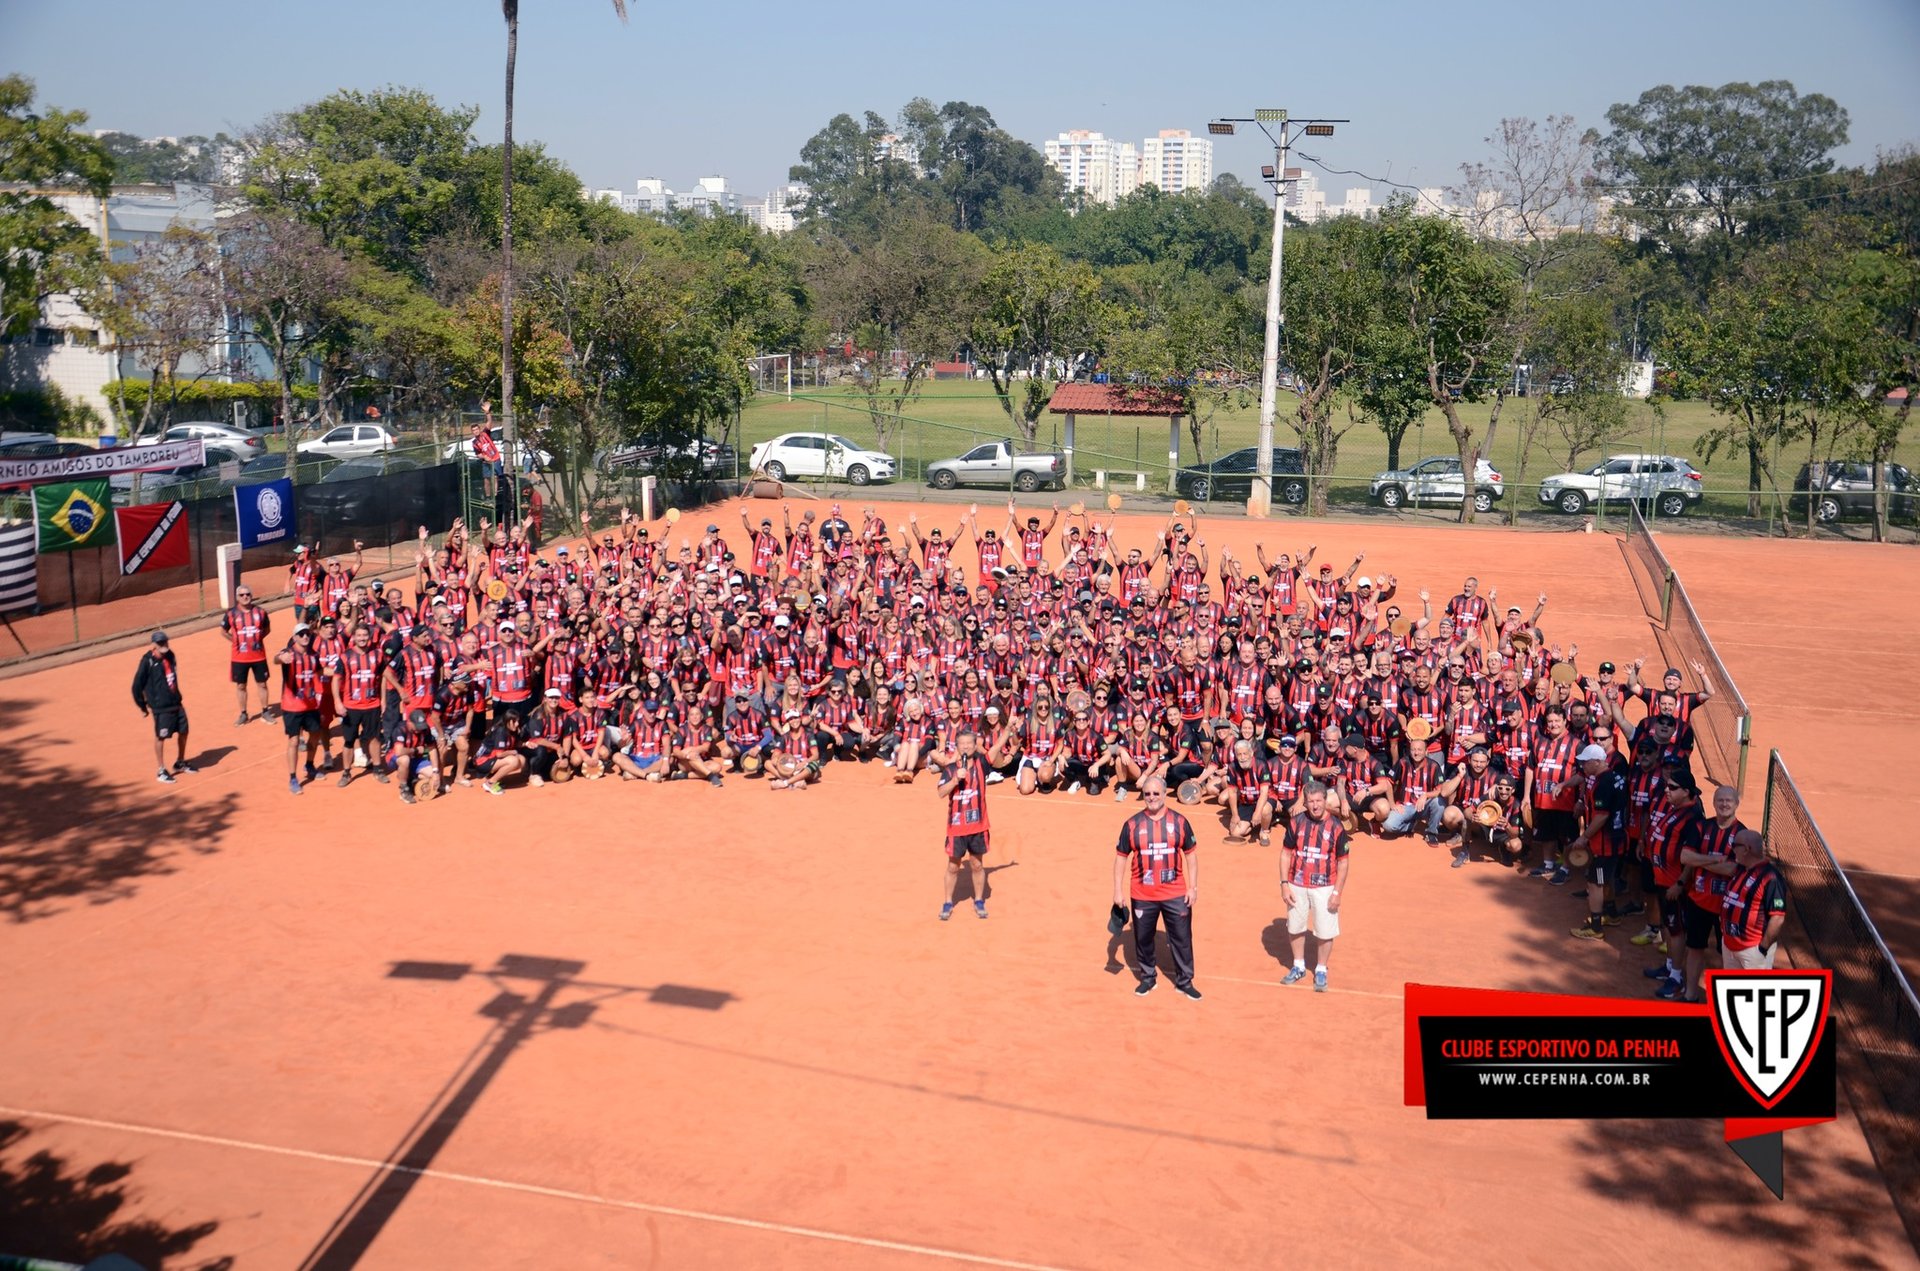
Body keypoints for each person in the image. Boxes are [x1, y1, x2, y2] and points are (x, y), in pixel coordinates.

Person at [1112, 775, 1200, 1000]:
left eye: (1156, 793)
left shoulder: (1180, 822)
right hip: (1142, 894)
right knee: (1143, 939)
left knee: (1182, 939)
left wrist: (1193, 887)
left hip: (1175, 893)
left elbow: (1190, 855)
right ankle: (1148, 978)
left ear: (1164, 794)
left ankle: (1184, 982)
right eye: (1147, 794)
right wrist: (1118, 891)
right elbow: (1121, 857)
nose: (1151, 797)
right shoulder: (1132, 825)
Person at [1280, 783, 1352, 993]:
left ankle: (1321, 969)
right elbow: (1285, 854)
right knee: (1295, 926)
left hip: (1325, 886)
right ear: (1305, 802)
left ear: (1325, 801)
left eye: (1319, 800)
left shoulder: (1336, 827)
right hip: (1297, 884)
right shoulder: (1296, 823)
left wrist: (1337, 892)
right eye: (1311, 801)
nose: (1315, 805)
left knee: (1325, 930)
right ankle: (1298, 966)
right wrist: (1284, 884)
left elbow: (1343, 862)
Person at [937, 728, 991, 920]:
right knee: (953, 866)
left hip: (978, 826)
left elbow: (996, 751)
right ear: (957, 747)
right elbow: (941, 792)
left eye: (969, 743)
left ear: (975, 746)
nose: (966, 746)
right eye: (962, 743)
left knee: (977, 864)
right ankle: (947, 902)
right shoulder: (950, 769)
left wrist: (1009, 729)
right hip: (956, 827)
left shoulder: (982, 764)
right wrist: (954, 780)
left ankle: (979, 900)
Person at [1719, 830, 1787, 969]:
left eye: (1735, 845)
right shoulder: (1741, 869)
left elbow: (1778, 918)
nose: (1732, 849)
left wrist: (1761, 949)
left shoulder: (1771, 877)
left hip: (1752, 950)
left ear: (1746, 849)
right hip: (1729, 945)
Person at [132, 630, 193, 783]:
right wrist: (142, 706)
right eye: (160, 643)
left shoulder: (171, 655)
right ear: (154, 645)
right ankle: (161, 770)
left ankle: (180, 762)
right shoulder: (147, 661)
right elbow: (137, 686)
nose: (163, 645)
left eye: (165, 641)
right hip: (160, 707)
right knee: (161, 737)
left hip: (176, 703)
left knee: (184, 731)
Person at [276, 623, 328, 794]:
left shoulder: (314, 655)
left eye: (307, 634)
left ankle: (309, 765)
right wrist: (281, 657)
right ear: (294, 637)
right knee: (294, 741)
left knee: (315, 735)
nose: (305, 636)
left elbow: (319, 673)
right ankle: (293, 778)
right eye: (301, 634)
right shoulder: (289, 653)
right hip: (291, 706)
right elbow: (277, 659)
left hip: (311, 704)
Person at [221, 585, 272, 724]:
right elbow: (223, 631)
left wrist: (257, 640)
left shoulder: (261, 612)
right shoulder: (231, 614)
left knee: (262, 684)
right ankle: (243, 714)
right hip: (239, 658)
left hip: (259, 656)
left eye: (248, 594)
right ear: (237, 597)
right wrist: (235, 641)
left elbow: (267, 629)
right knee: (241, 686)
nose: (245, 597)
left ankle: (265, 712)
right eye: (242, 595)